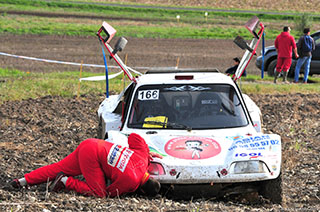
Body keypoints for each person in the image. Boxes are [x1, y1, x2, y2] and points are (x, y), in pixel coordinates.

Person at [10, 133, 162, 197]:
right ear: (142, 190)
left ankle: (23, 181)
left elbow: (134, 137)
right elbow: (109, 193)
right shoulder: (131, 182)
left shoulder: (142, 157)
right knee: (99, 194)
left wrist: (147, 154)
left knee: (58, 167)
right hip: (92, 157)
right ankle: (65, 181)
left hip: (92, 143)